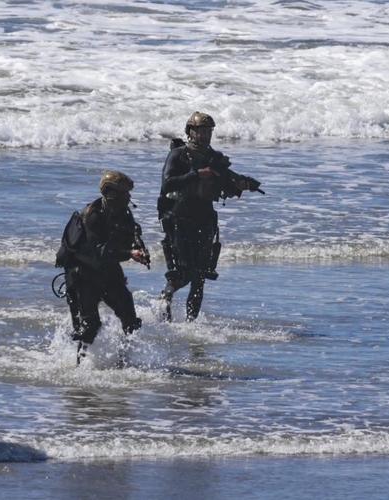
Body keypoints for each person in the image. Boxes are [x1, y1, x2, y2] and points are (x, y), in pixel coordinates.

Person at [158, 112, 260, 322]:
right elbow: (167, 183)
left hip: (205, 218)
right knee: (183, 272)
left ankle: (190, 325)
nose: (205, 135)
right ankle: (165, 298)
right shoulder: (179, 154)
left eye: (209, 131)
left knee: (200, 276)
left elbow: (226, 186)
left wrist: (241, 186)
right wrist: (196, 174)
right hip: (180, 217)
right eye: (201, 131)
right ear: (191, 132)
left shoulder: (215, 158)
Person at [57, 171, 147, 364]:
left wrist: (138, 245)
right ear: (112, 194)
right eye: (125, 193)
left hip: (109, 272)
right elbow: (102, 253)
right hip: (83, 276)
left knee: (130, 320)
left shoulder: (123, 211)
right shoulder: (93, 216)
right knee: (89, 327)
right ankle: (79, 368)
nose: (129, 197)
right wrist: (130, 254)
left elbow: (131, 232)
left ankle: (124, 362)